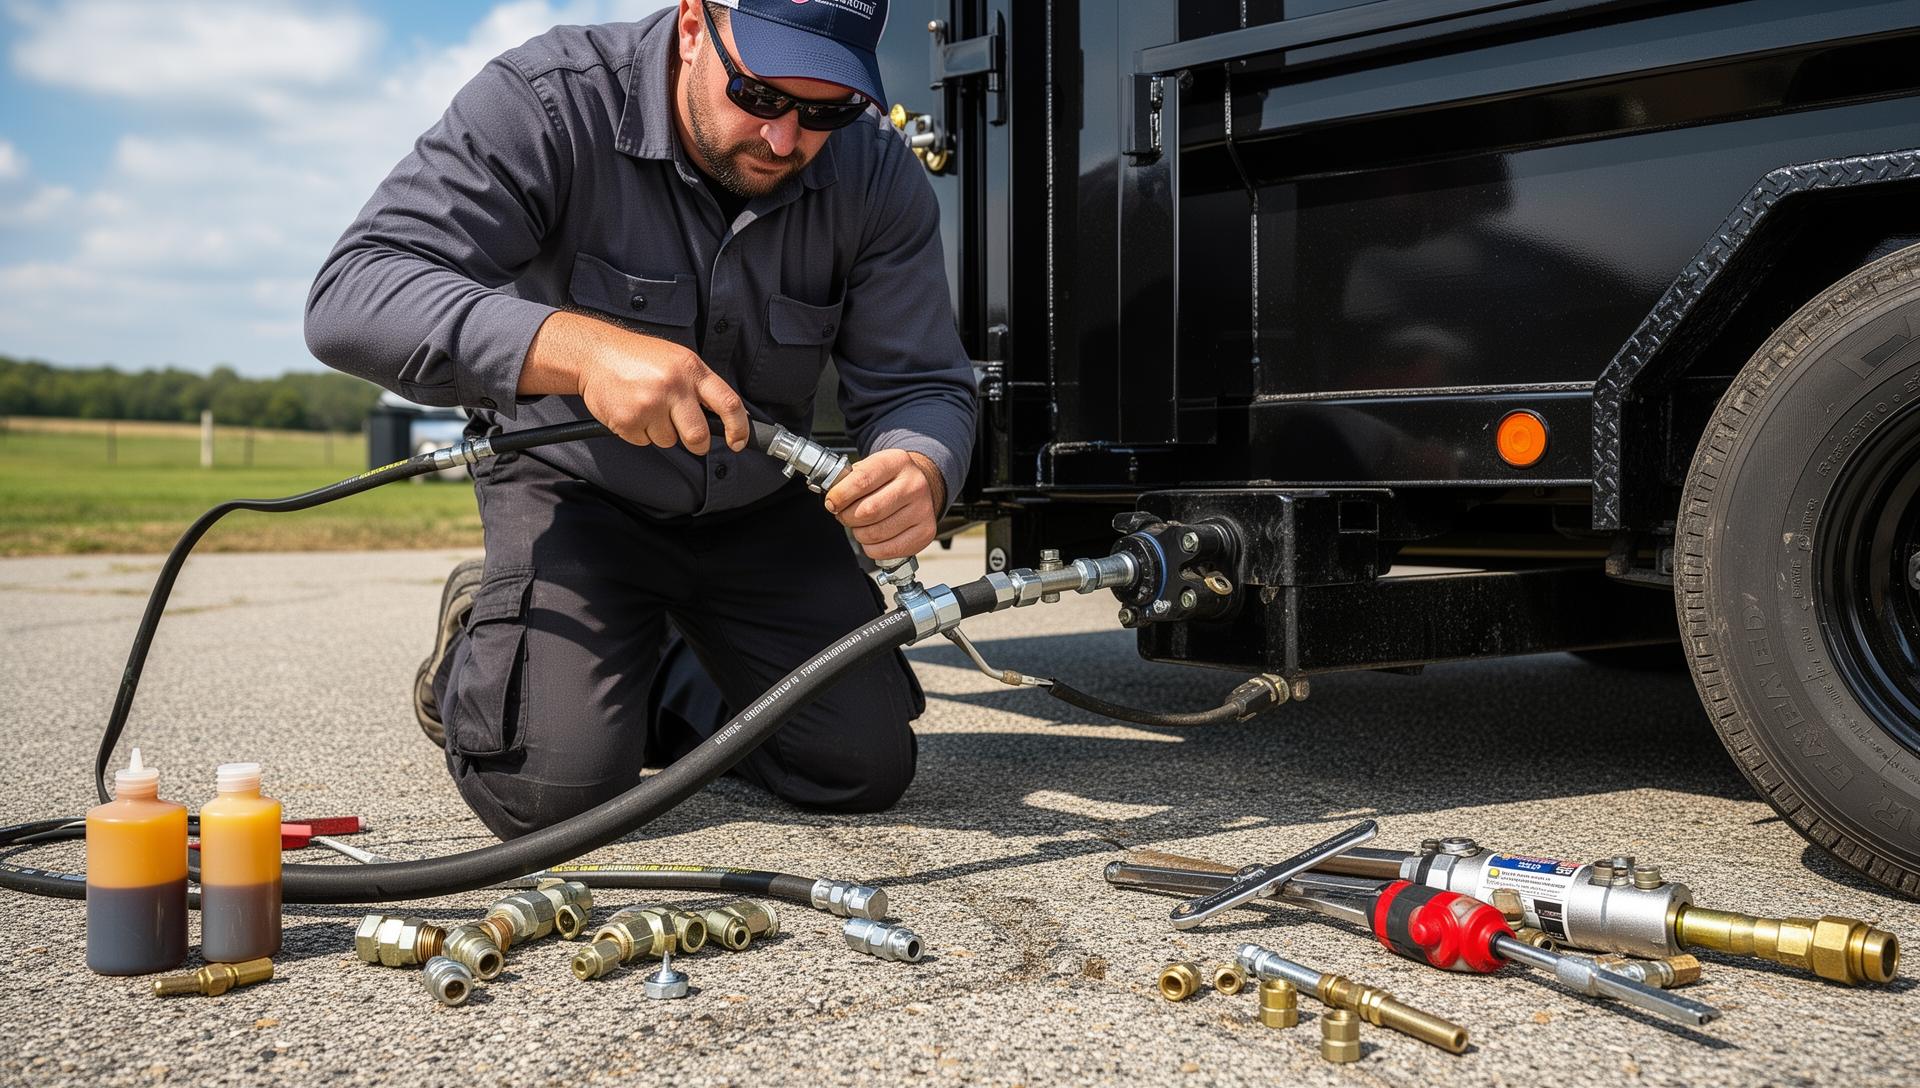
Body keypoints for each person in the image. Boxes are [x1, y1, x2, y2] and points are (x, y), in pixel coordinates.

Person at [304, 0, 976, 839]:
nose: (785, 141)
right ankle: (481, 642)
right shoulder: (549, 101)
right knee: (551, 795)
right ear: (695, 25)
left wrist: (922, 463)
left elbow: (924, 383)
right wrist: (575, 349)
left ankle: (653, 661)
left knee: (858, 769)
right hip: (575, 493)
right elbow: (353, 294)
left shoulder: (875, 174)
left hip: (757, 509)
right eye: (762, 96)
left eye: (826, 111)